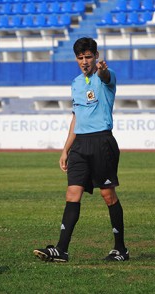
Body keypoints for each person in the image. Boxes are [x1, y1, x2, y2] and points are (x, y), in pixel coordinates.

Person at [33, 37, 128, 262]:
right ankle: (61, 250)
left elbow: (105, 76)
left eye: (88, 57)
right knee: (72, 194)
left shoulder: (106, 76)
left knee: (108, 195)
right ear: (76, 59)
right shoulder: (75, 83)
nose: (85, 61)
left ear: (96, 56)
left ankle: (120, 249)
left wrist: (102, 71)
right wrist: (65, 149)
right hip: (79, 146)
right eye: (80, 57)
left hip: (101, 142)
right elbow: (76, 117)